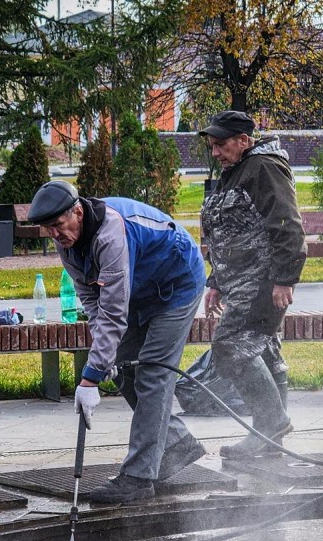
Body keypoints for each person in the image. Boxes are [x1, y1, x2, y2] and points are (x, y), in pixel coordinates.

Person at [27, 180, 208, 504]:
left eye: (57, 226)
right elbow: (93, 302)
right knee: (124, 369)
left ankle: (138, 479)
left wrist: (89, 377)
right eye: (47, 229)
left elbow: (113, 311)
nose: (54, 234)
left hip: (177, 285)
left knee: (153, 372)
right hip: (138, 292)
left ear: (78, 212)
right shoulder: (66, 243)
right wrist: (103, 359)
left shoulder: (111, 234)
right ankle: (178, 443)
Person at [198, 110, 307, 458]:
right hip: (240, 283)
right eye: (212, 146)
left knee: (229, 346)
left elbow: (288, 224)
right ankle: (271, 441)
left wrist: (284, 279)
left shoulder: (264, 168)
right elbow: (226, 231)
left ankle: (270, 422)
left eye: (221, 145)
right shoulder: (235, 172)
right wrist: (215, 280)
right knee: (266, 350)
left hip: (261, 282)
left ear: (243, 141)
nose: (215, 152)